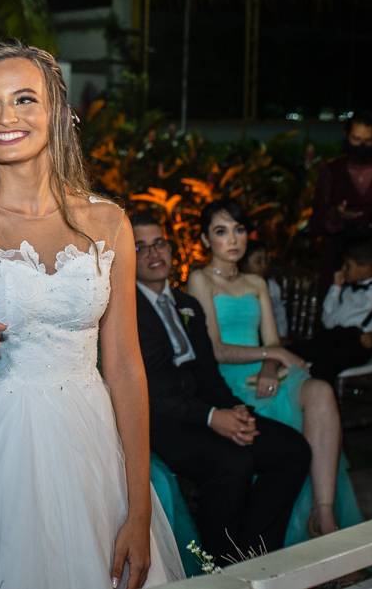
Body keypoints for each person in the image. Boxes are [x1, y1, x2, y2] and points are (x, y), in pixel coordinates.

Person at [0, 42, 183, 589]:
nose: (5, 117)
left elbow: (124, 367)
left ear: (57, 112)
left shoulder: (109, 222)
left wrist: (138, 508)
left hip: (90, 443)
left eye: (24, 99)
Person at [131, 214, 311, 563]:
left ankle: (254, 552)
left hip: (206, 411)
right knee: (233, 463)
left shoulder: (188, 305)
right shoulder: (129, 312)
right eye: (140, 247)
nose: (154, 253)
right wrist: (215, 417)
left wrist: (236, 411)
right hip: (162, 424)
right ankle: (218, 562)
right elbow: (157, 394)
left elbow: (208, 374)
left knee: (292, 450)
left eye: (160, 243)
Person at [187, 199, 362, 541]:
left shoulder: (256, 282)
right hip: (228, 377)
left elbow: (271, 339)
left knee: (321, 390)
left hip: (265, 369)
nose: (233, 240)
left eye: (239, 230)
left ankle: (323, 514)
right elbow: (216, 350)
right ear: (206, 240)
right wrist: (273, 353)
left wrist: (270, 362)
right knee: (293, 413)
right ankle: (288, 533)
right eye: (221, 232)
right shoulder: (200, 280)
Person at [289, 236, 372, 384]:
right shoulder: (347, 290)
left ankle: (321, 402)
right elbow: (329, 322)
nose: (342, 269)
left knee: (323, 368)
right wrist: (335, 288)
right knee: (292, 353)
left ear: (366, 268)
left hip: (358, 344)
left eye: (348, 265)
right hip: (335, 336)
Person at [312, 111, 372, 291]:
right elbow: (317, 221)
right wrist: (336, 214)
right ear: (346, 136)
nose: (362, 146)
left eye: (368, 140)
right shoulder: (332, 171)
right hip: (341, 257)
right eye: (356, 139)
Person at [241, 240, 289, 338]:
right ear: (243, 264)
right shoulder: (236, 286)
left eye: (266, 260)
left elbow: (279, 313)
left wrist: (281, 335)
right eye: (258, 261)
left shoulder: (271, 286)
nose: (264, 265)